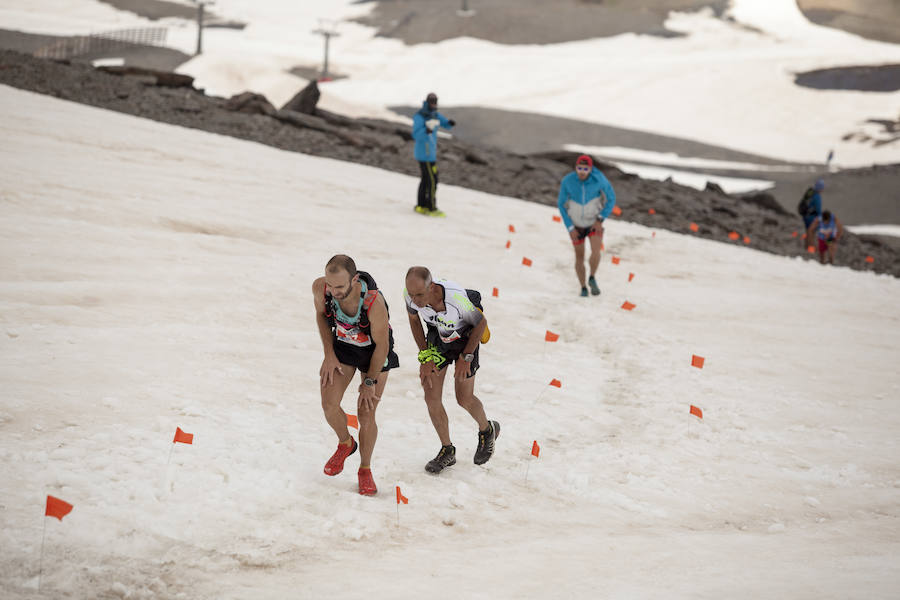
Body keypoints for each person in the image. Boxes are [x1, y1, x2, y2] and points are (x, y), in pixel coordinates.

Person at [312, 254, 399, 495]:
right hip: (344, 347)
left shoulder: (373, 302)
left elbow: (382, 346)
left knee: (366, 414)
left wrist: (369, 381)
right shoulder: (321, 288)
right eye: (331, 285)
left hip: (374, 353)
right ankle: (345, 442)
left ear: (355, 279)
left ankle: (365, 469)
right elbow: (321, 316)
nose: (334, 291)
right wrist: (329, 354)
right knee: (329, 405)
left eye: (340, 286)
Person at [403, 266, 499, 474]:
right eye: (411, 294)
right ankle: (447, 450)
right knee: (431, 396)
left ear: (432, 287)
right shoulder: (409, 296)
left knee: (463, 398)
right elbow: (414, 321)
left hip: (466, 339)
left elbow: (481, 323)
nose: (415, 300)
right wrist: (425, 356)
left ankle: (487, 429)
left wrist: (467, 357)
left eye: (420, 294)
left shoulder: (456, 299)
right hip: (439, 338)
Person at [557, 154, 617, 297]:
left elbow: (611, 198)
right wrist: (570, 227)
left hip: (593, 223)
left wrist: (600, 219)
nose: (582, 171)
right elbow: (561, 204)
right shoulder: (568, 181)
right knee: (579, 256)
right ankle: (583, 287)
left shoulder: (599, 179)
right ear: (575, 168)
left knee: (596, 251)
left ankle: (592, 277)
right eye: (579, 168)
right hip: (576, 224)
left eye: (585, 168)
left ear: (591, 169)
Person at [412, 92, 455, 217]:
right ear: (427, 101)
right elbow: (416, 135)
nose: (434, 104)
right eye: (432, 101)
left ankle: (421, 205)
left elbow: (444, 122)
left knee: (426, 180)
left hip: (430, 153)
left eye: (435, 102)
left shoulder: (434, 114)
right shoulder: (420, 116)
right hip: (423, 154)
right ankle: (431, 207)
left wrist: (449, 123)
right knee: (432, 180)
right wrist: (426, 130)